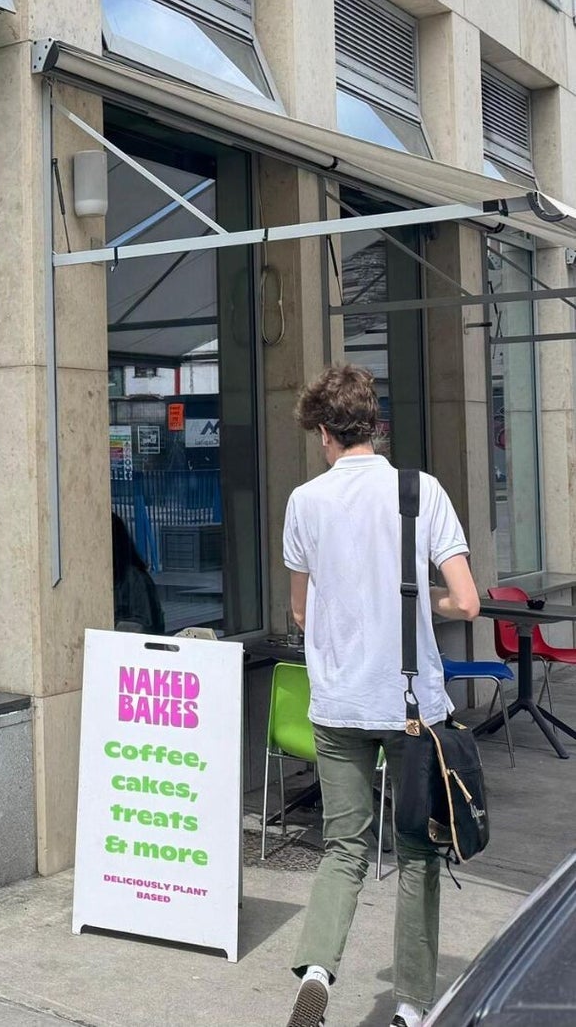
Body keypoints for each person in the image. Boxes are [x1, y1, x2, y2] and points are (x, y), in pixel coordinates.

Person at [281, 365, 483, 1027]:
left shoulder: (305, 501)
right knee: (418, 851)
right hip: (410, 708)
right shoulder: (420, 491)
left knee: (344, 847)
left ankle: (317, 970)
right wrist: (425, 602)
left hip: (338, 704)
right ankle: (410, 1008)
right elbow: (469, 602)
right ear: (374, 425)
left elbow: (301, 611)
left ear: (324, 432)